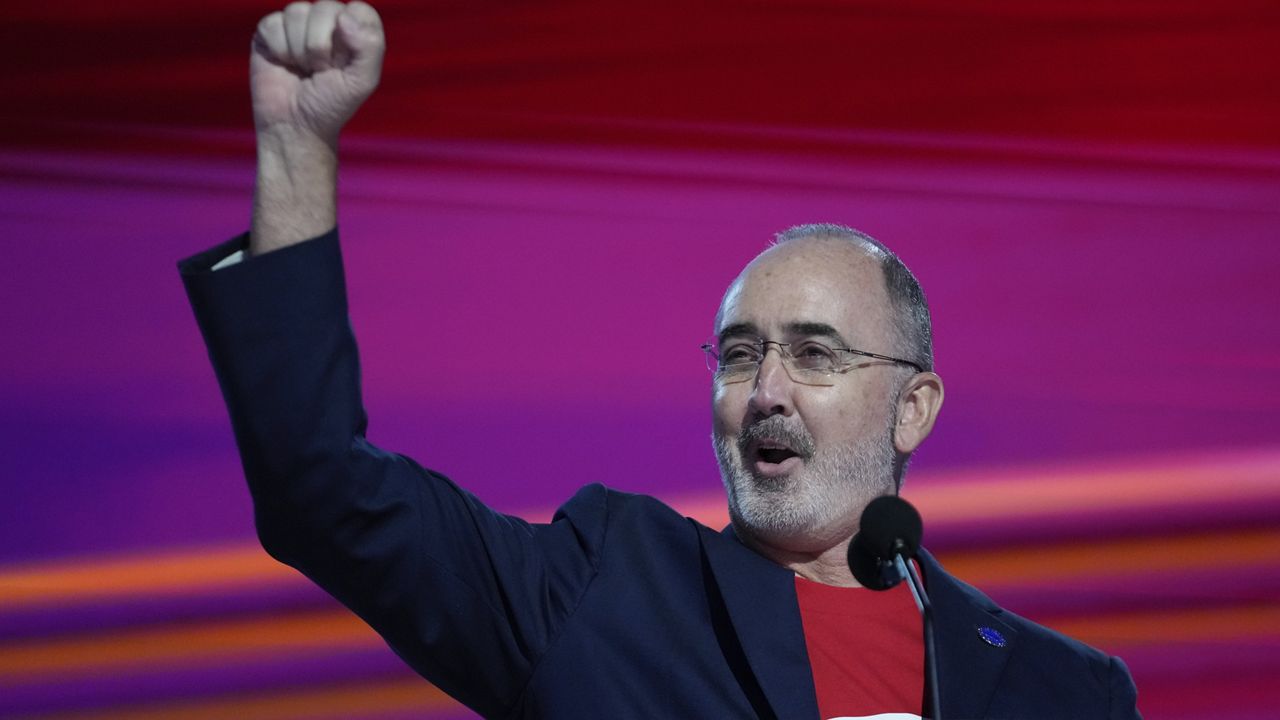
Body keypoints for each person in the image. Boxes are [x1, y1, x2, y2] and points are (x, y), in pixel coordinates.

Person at [180, 2, 1142, 718]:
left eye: (814, 354)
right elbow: (322, 490)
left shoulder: (1063, 688)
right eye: (737, 356)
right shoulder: (606, 589)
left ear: (914, 406)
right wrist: (297, 150)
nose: (764, 392)